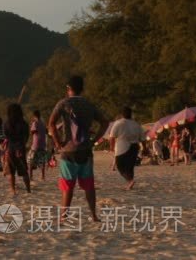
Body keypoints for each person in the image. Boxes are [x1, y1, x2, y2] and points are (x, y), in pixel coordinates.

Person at [48, 76, 108, 223]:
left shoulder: (63, 103)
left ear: (69, 88)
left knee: (68, 186)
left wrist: (57, 142)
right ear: (82, 89)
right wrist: (95, 140)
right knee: (88, 185)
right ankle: (94, 215)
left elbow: (51, 124)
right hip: (85, 150)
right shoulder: (89, 104)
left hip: (68, 151)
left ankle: (64, 217)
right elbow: (104, 123)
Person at [109, 107, 145, 190]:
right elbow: (143, 138)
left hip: (122, 147)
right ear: (131, 114)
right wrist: (145, 148)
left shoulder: (118, 123)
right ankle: (130, 183)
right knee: (130, 166)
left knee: (120, 165)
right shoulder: (136, 124)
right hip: (134, 147)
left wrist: (111, 147)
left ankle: (130, 181)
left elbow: (112, 137)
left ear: (122, 114)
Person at [4, 104, 31, 195]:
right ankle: (28, 189)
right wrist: (22, 144)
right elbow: (26, 136)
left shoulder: (7, 123)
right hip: (20, 148)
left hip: (11, 148)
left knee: (11, 171)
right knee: (24, 171)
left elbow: (6, 136)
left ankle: (13, 189)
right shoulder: (24, 123)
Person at [28, 110, 48, 181]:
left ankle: (30, 177)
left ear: (34, 116)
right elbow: (46, 131)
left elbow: (32, 132)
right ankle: (42, 176)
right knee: (41, 161)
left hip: (35, 144)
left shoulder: (35, 123)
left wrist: (31, 124)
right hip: (42, 144)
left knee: (31, 161)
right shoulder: (43, 123)